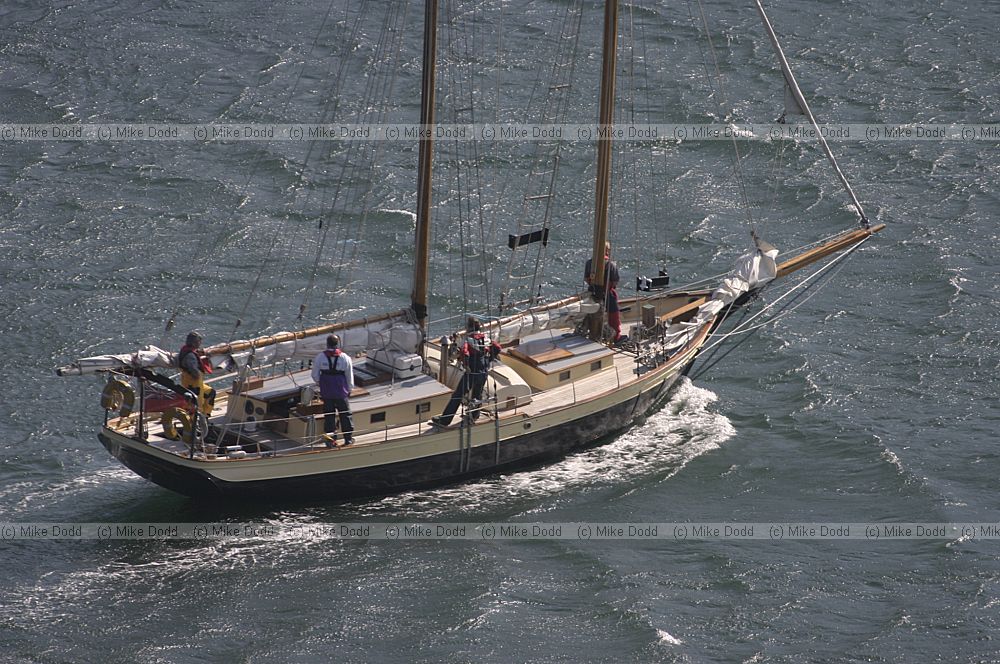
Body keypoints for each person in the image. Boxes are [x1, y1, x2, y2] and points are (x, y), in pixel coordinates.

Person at [432, 318, 502, 428]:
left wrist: (466, 365)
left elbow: (465, 352)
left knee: (458, 395)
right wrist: (489, 359)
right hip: (483, 372)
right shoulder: (486, 339)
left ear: (469, 328)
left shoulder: (468, 340)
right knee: (477, 394)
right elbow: (497, 347)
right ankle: (475, 414)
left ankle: (445, 420)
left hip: (472, 373)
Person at [311, 334, 355, 447]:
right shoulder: (345, 357)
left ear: (327, 344)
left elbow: (315, 375)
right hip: (341, 391)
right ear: (337, 344)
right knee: (345, 414)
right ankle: (348, 439)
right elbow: (349, 375)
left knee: (329, 415)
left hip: (327, 391)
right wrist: (350, 388)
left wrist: (320, 384)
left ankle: (330, 441)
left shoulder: (320, 357)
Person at [584, 241, 623, 343]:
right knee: (613, 314)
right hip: (607, 294)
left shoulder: (589, 263)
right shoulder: (611, 265)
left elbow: (586, 278)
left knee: (590, 312)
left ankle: (591, 332)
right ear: (606, 251)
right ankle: (615, 337)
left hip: (593, 293)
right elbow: (615, 281)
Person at [178, 331, 216, 415]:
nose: (200, 343)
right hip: (193, 385)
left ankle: (206, 415)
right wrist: (198, 374)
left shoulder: (186, 350)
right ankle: (194, 424)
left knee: (211, 392)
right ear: (194, 343)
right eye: (199, 342)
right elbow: (193, 370)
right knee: (195, 405)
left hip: (193, 383)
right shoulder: (190, 356)